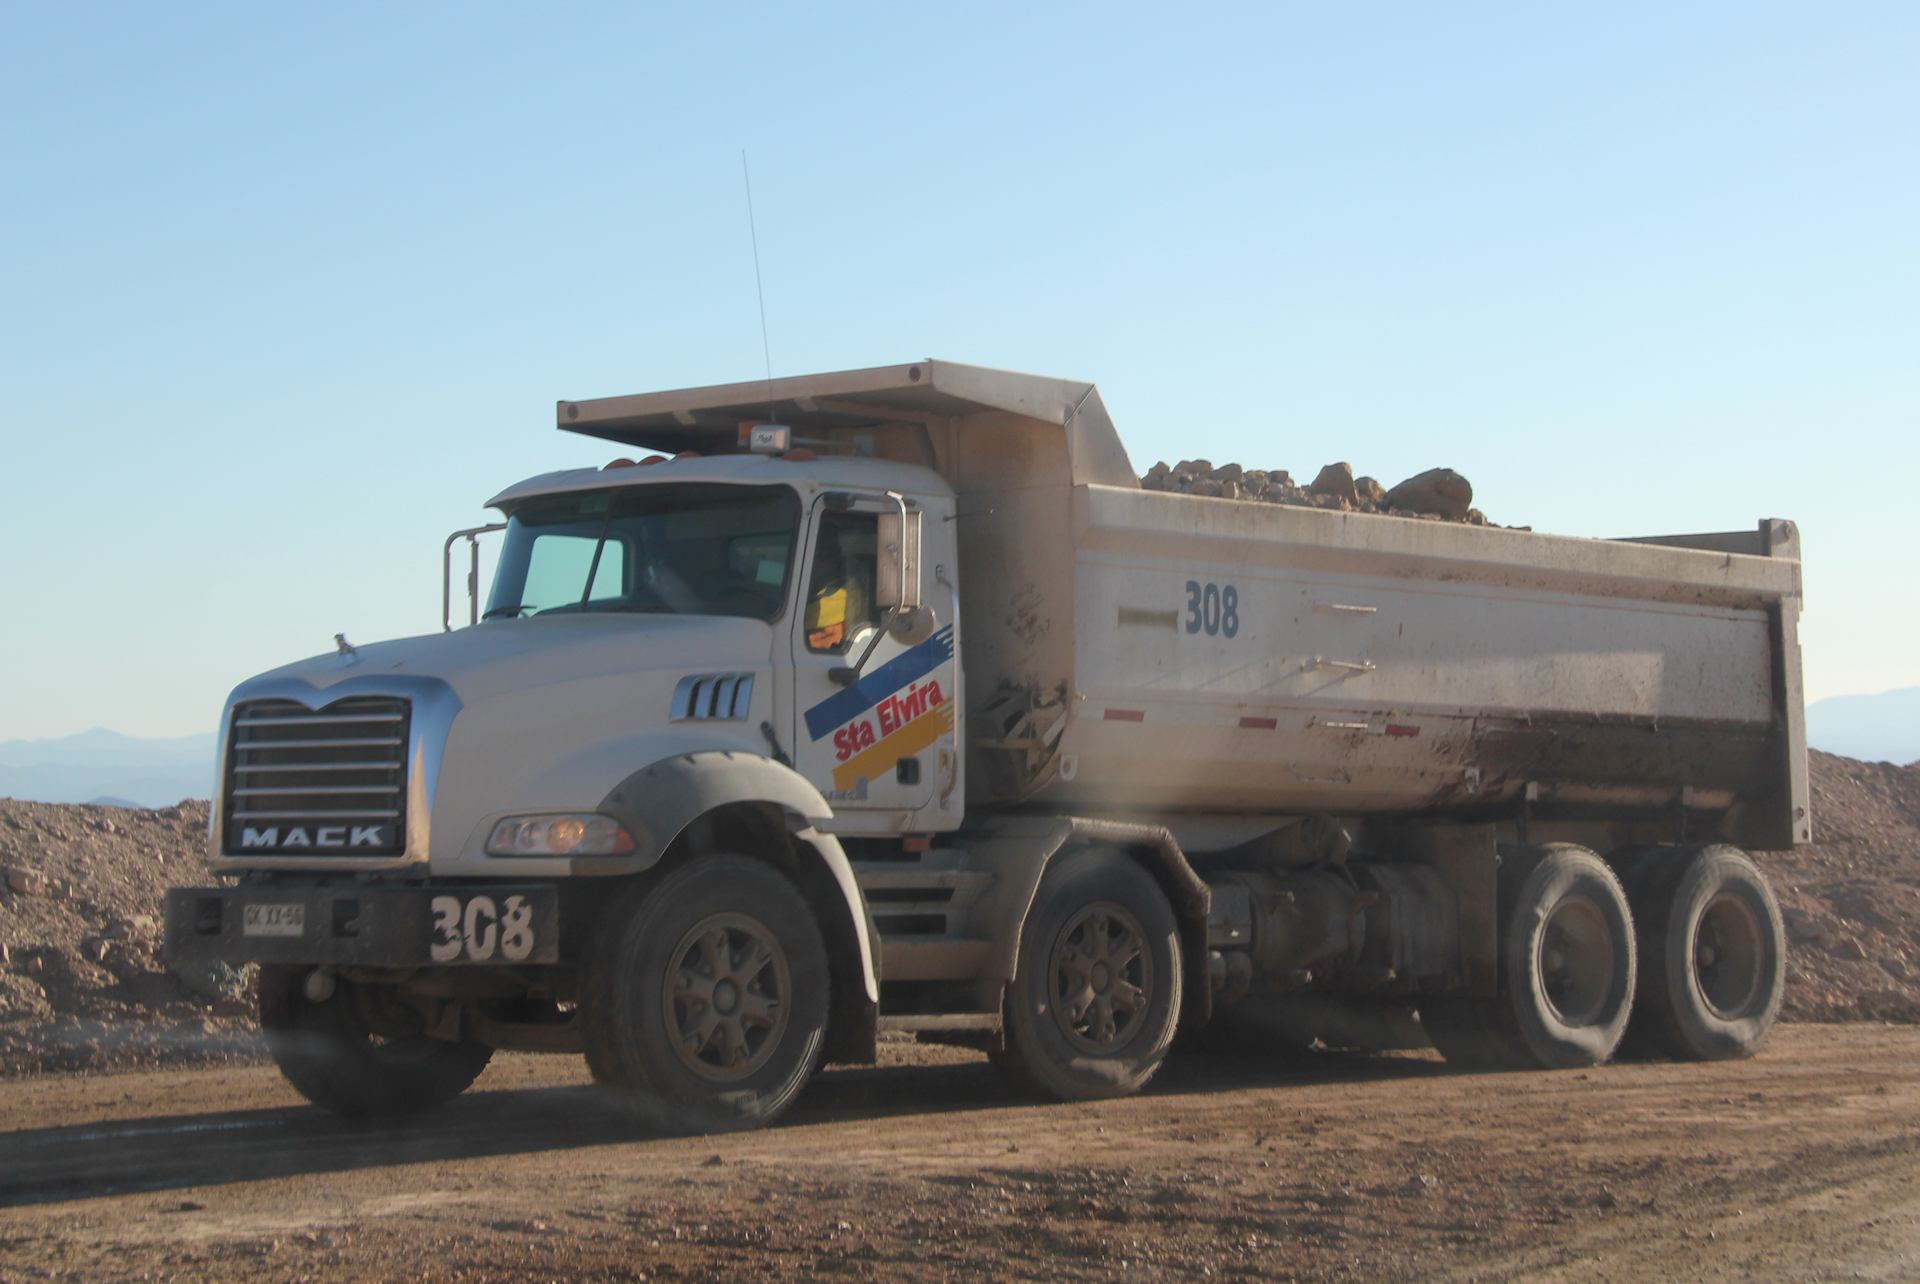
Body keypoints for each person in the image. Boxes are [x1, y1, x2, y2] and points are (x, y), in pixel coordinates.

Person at [805, 529, 872, 651]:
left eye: (822, 557)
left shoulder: (847, 596)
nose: (816, 564)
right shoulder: (805, 591)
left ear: (835, 559)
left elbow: (830, 638)